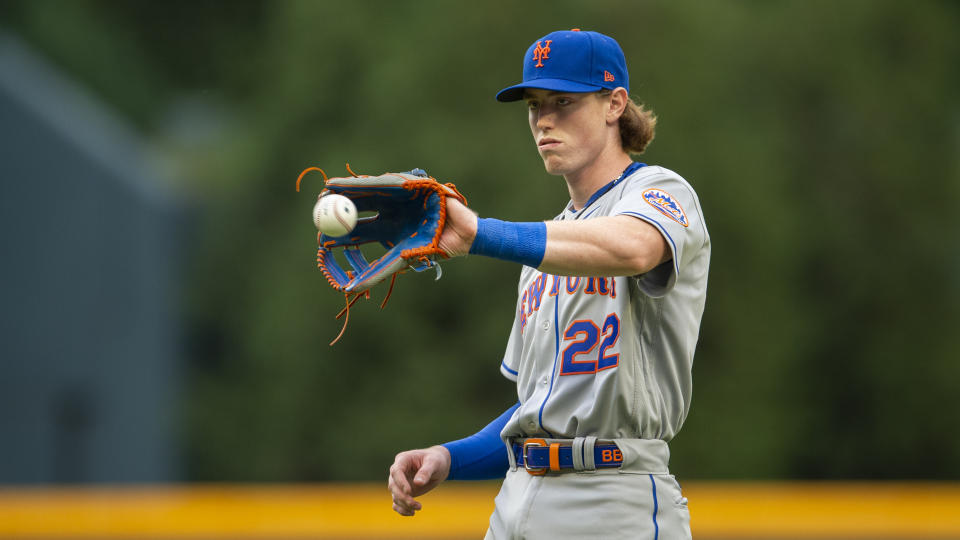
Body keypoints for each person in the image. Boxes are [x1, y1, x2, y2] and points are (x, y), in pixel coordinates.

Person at [388, 28, 709, 539]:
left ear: (614, 103)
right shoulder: (544, 251)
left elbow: (634, 248)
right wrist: (450, 458)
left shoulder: (660, 191)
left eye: (564, 100)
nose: (544, 120)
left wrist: (480, 234)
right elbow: (542, 406)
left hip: (614, 495)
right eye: (535, 104)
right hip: (517, 499)